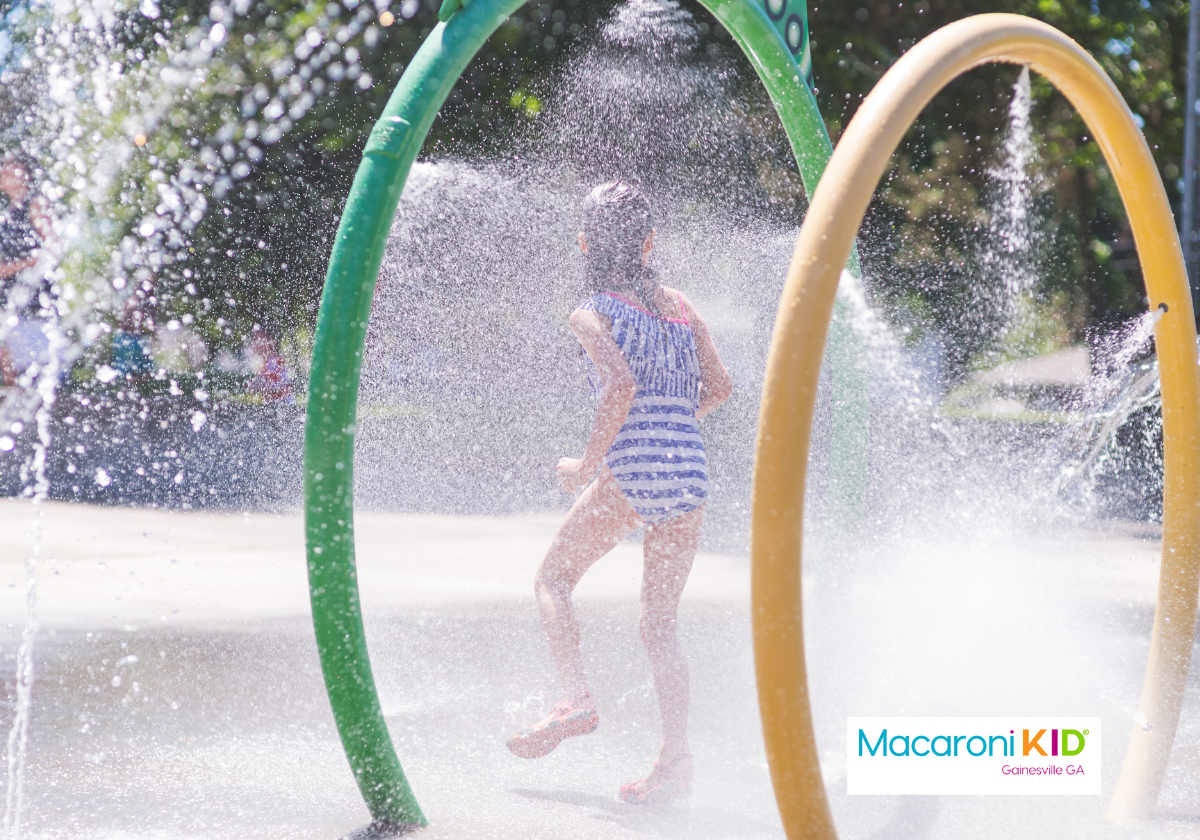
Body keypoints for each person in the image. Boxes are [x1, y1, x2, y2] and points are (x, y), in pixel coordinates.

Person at [506, 181, 733, 805]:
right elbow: (719, 388)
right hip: (689, 476)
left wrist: (587, 461)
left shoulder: (591, 313)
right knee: (660, 627)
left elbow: (618, 385)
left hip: (632, 472)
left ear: (583, 243)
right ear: (649, 241)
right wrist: (668, 434)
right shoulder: (681, 305)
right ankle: (676, 761)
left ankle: (576, 699)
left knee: (552, 580)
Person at [0, 156, 55, 386]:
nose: (2, 174)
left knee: (32, 374)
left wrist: (10, 268)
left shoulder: (35, 204)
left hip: (31, 298)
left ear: (22, 174)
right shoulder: (9, 212)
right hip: (10, 297)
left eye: (7, 170)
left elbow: (52, 246)